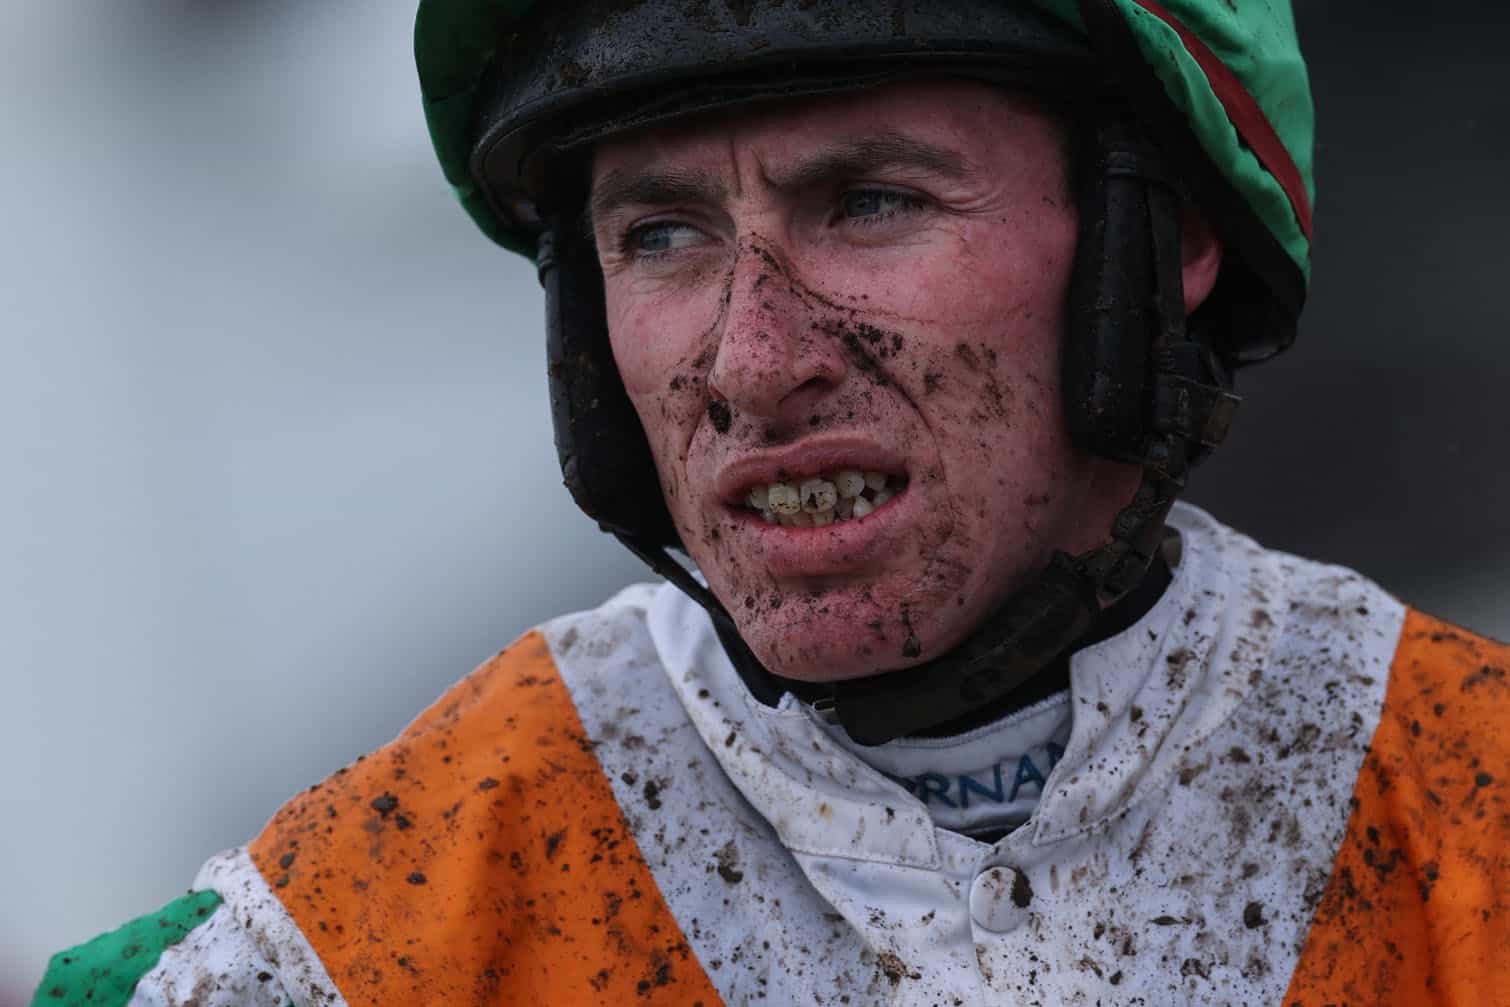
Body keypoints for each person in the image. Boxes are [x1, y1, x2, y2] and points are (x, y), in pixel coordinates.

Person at [33, 1, 1509, 1004]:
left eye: (870, 202)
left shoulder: (1471, 808)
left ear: (1166, 242)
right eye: (660, 233)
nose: (750, 362)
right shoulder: (367, 925)